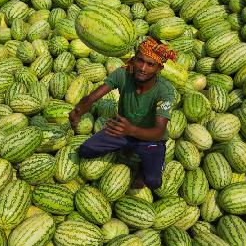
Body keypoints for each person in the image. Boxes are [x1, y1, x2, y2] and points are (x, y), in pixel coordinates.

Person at [69, 36, 176, 190]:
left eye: (150, 64)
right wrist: (78, 110)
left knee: (153, 182)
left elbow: (159, 132)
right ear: (134, 59)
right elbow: (94, 96)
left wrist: (131, 130)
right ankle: (125, 148)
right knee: (85, 150)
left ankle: (144, 164)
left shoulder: (164, 91)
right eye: (140, 60)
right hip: (122, 131)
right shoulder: (123, 74)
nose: (143, 68)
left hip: (149, 138)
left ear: (159, 69)